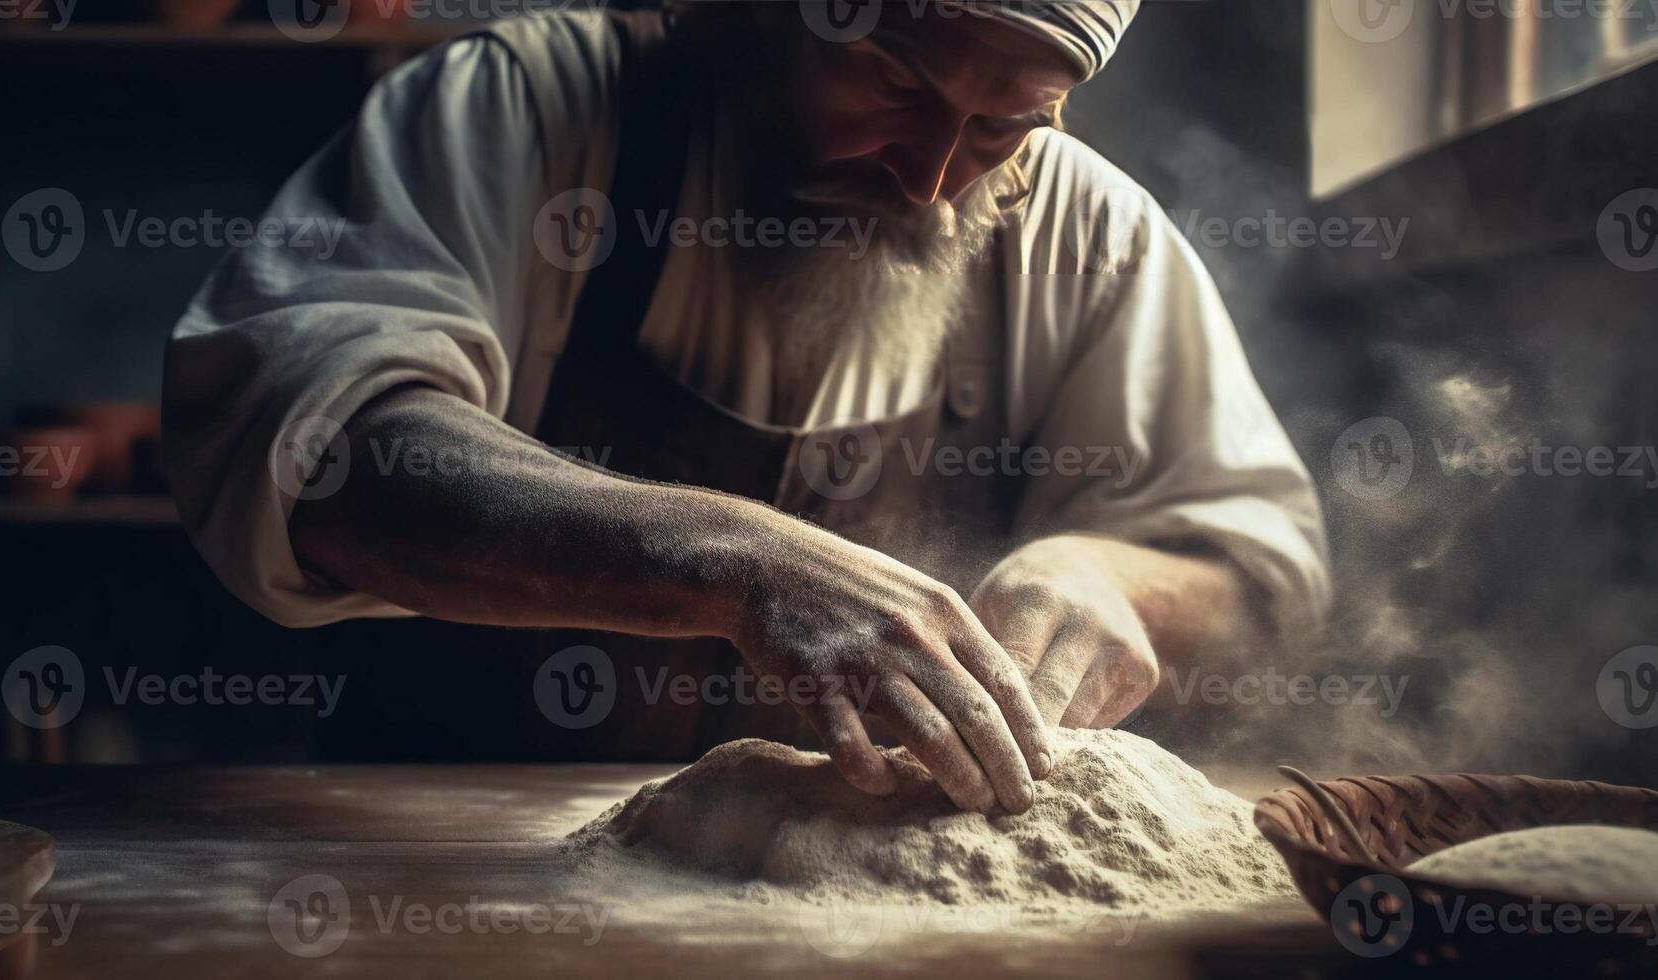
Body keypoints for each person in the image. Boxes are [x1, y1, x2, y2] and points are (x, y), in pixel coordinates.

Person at [164, 1, 1330, 815]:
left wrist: (1111, 580)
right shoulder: (529, 112)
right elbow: (312, 445)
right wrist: (738, 561)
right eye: (892, 76)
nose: (928, 177)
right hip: (451, 886)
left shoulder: (1089, 238)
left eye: (1001, 123)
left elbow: (1261, 572)